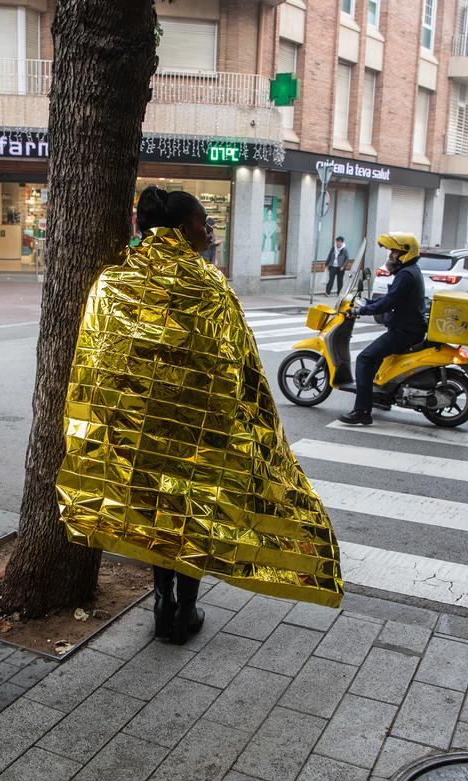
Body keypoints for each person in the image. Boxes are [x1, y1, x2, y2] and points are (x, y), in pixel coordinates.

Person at [57, 185, 342, 647]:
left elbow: (96, 363)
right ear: (181, 229)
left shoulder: (112, 283)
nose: (208, 231)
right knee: (191, 512)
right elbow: (239, 364)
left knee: (153, 511)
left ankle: (160, 601)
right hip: (198, 430)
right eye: (202, 222)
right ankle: (184, 610)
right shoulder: (208, 283)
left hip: (137, 429)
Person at [339, 232, 427, 426]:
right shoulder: (412, 271)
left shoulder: (405, 275)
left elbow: (389, 303)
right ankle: (380, 397)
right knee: (376, 358)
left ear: (405, 253)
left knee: (364, 359)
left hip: (404, 332)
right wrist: (368, 302)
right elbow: (392, 299)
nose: (390, 256)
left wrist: (362, 310)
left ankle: (362, 411)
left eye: (394, 252)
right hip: (409, 328)